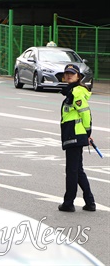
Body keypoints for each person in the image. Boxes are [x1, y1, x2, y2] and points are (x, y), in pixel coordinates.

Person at [58, 64, 95, 212]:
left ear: (78, 76)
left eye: (72, 74)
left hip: (74, 134)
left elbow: (85, 112)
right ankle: (90, 202)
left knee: (72, 171)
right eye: (66, 73)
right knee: (77, 170)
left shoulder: (76, 92)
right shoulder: (71, 91)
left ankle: (68, 203)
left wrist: (87, 132)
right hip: (73, 133)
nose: (68, 76)